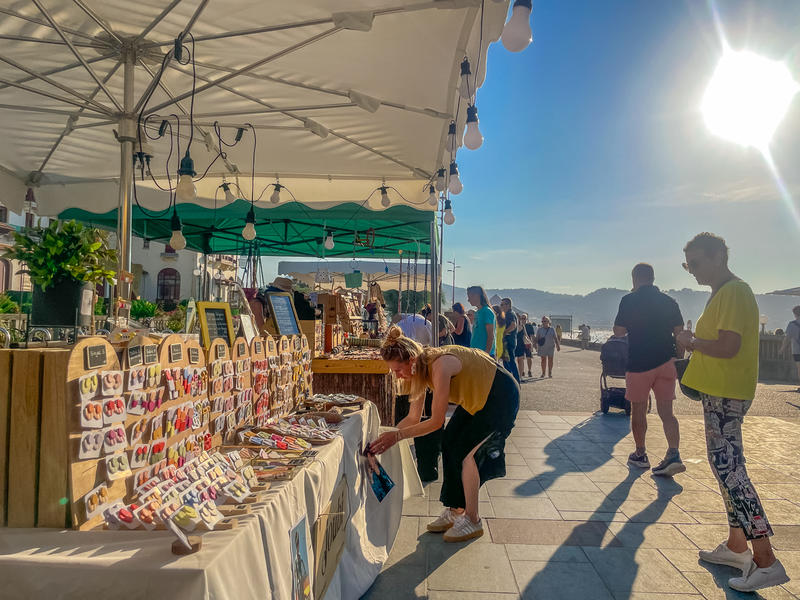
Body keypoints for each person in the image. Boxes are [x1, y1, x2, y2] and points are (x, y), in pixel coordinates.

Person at [677, 233, 788, 592]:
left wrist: (691, 342)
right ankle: (737, 545)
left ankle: (766, 558)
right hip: (720, 394)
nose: (690, 271)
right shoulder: (725, 293)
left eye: (694, 263)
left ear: (718, 257)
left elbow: (729, 346)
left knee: (732, 471)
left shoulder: (735, 292)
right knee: (725, 468)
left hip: (726, 396)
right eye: (687, 265)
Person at [369, 326, 519, 542]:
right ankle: (456, 509)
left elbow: (436, 421)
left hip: (501, 394)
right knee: (450, 442)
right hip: (479, 398)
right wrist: (383, 436)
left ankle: (473, 519)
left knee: (468, 453)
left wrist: (398, 437)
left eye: (398, 369)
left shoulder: (440, 365)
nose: (396, 375)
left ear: (411, 360)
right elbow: (413, 418)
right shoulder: (418, 371)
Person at [613, 263, 686, 476]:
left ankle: (640, 454)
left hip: (639, 363)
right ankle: (674, 453)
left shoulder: (628, 300)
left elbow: (618, 332)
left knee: (639, 409)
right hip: (666, 362)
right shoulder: (669, 301)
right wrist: (677, 359)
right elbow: (679, 334)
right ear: (653, 279)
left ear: (635, 278)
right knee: (667, 413)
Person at [468, 286, 496, 357]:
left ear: (477, 295)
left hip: (484, 354)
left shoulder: (486, 311)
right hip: (475, 352)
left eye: (470, 296)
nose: (468, 300)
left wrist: (486, 354)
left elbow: (490, 335)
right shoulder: (477, 312)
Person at [500, 298, 521, 383]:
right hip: (508, 341)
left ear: (508, 305)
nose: (501, 307)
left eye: (502, 305)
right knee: (506, 362)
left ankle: (516, 382)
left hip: (509, 342)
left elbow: (513, 325)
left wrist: (504, 332)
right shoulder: (508, 314)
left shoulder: (510, 314)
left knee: (510, 362)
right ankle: (511, 381)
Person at [779, 305, 800, 391]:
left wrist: (782, 349)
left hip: (797, 350)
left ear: (795, 314)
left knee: (799, 368)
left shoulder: (792, 324)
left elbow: (787, 338)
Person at [515, 314, 535, 378]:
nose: (522, 320)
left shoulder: (528, 326)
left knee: (528, 357)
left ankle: (529, 370)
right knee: (519, 359)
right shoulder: (514, 325)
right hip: (517, 344)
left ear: (526, 319)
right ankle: (521, 372)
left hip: (524, 343)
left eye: (524, 318)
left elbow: (528, 335)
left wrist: (531, 344)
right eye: (521, 318)